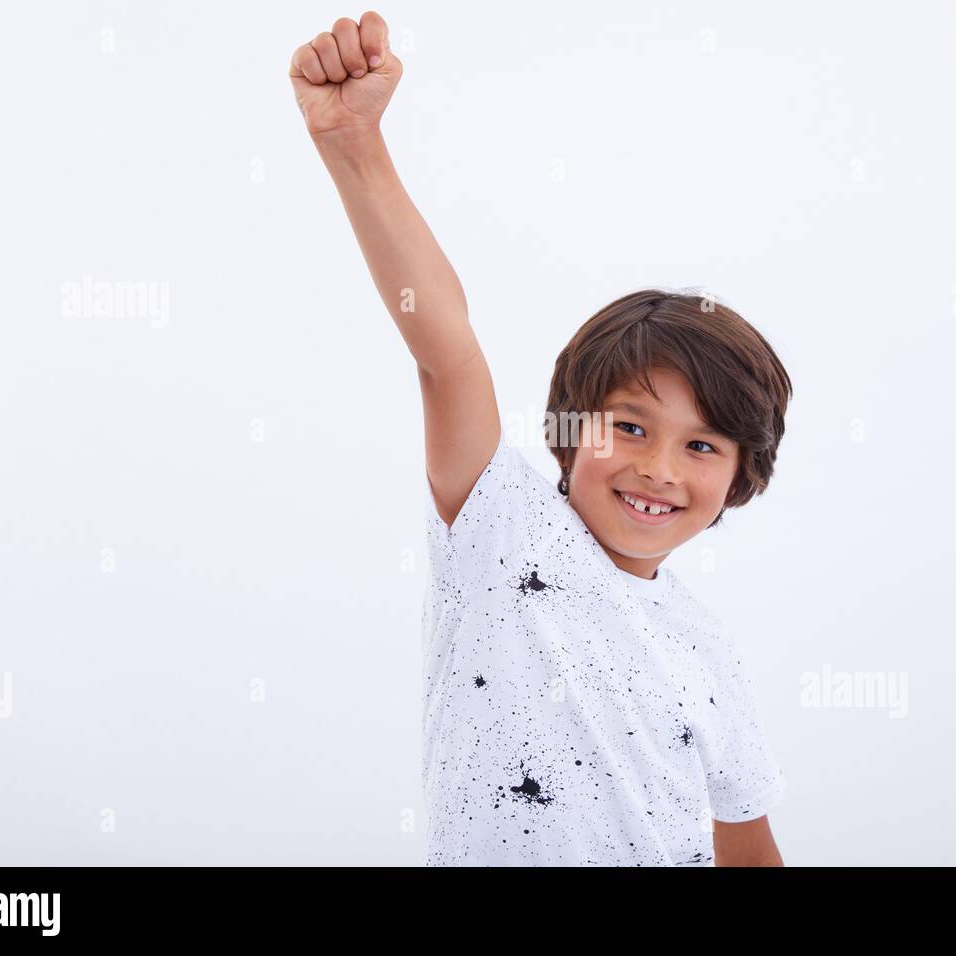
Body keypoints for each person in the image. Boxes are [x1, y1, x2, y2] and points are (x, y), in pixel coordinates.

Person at [290, 12, 793, 866]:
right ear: (567, 429)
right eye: (630, 426)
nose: (657, 468)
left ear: (743, 476)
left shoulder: (707, 650)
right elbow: (446, 352)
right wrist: (352, 142)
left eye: (702, 447)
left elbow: (747, 844)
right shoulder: (500, 526)